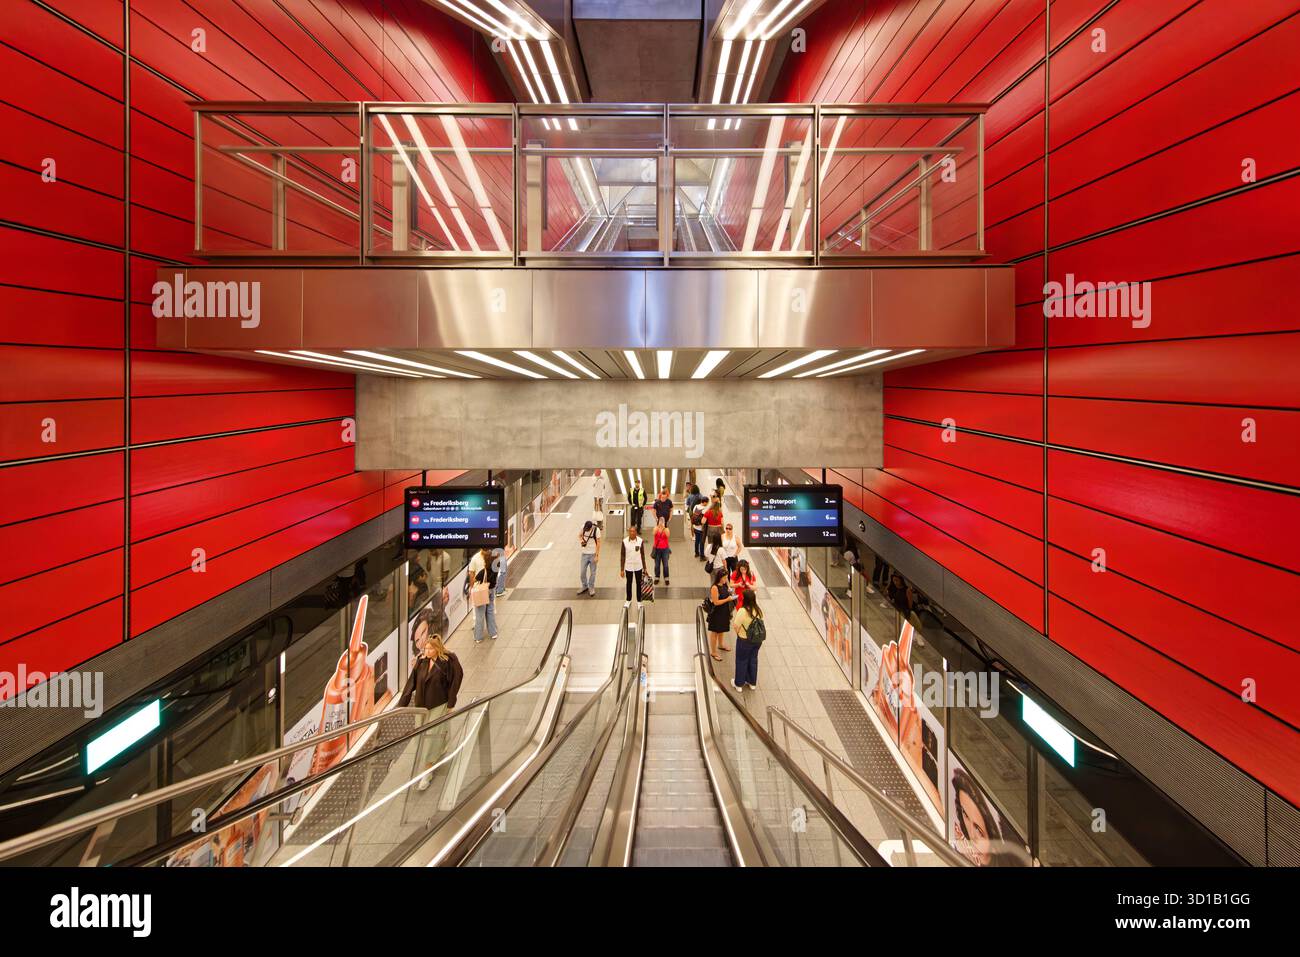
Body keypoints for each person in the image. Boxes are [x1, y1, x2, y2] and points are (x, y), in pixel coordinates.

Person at [398, 621, 463, 791]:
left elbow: (456, 680)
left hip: (438, 704)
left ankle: (427, 772)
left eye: (429, 649)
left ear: (437, 649)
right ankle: (442, 743)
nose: (425, 652)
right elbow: (411, 683)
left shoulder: (447, 662)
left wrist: (451, 703)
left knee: (431, 738)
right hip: (421, 706)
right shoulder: (421, 662)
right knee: (422, 737)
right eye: (425, 649)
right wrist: (402, 704)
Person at [731, 589, 764, 690]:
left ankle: (739, 684)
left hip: (744, 640)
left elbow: (736, 625)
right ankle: (752, 683)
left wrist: (739, 633)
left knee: (741, 660)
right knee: (753, 660)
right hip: (757, 640)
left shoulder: (743, 611)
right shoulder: (758, 610)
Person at [705, 566, 733, 661]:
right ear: (720, 577)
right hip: (717, 613)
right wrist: (727, 599)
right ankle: (713, 652)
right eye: (725, 577)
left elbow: (728, 592)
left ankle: (720, 645)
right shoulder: (714, 588)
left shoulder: (724, 585)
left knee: (722, 629)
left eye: (726, 577)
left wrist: (730, 592)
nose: (726, 579)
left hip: (724, 611)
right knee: (715, 632)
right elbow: (716, 602)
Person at [470, 559, 498, 643]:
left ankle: (478, 637)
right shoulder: (496, 569)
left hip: (483, 592)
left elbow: (475, 579)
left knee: (480, 614)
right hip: (491, 590)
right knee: (490, 612)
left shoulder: (483, 571)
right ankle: (493, 633)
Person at [621, 524, 646, 606]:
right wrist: (622, 569)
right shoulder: (624, 541)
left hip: (638, 566)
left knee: (639, 584)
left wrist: (645, 568)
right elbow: (623, 555)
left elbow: (642, 555)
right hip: (628, 566)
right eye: (630, 531)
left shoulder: (640, 541)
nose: (632, 533)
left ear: (636, 532)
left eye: (633, 531)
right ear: (628, 532)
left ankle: (639, 601)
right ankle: (628, 600)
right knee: (629, 583)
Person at [577, 517, 601, 597]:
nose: (586, 530)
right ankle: (584, 585)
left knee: (593, 573)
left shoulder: (596, 530)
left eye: (587, 529)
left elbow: (598, 543)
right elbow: (579, 535)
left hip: (593, 553)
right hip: (584, 553)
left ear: (591, 528)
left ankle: (591, 587)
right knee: (582, 572)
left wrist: (597, 555)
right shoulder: (583, 527)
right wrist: (582, 541)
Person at [685, 484, 707, 560]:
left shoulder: (690, 496)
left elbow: (687, 504)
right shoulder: (701, 496)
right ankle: (702, 555)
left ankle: (696, 552)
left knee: (696, 540)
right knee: (701, 541)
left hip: (693, 516)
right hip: (701, 527)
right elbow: (704, 519)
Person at [651, 516, 671, 586]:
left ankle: (666, 578)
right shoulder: (655, 528)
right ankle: (657, 577)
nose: (661, 523)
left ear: (664, 522)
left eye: (663, 521)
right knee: (657, 565)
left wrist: (663, 528)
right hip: (657, 549)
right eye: (660, 521)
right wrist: (658, 528)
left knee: (665, 565)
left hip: (665, 549)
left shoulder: (666, 529)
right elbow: (653, 533)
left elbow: (668, 535)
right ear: (658, 522)